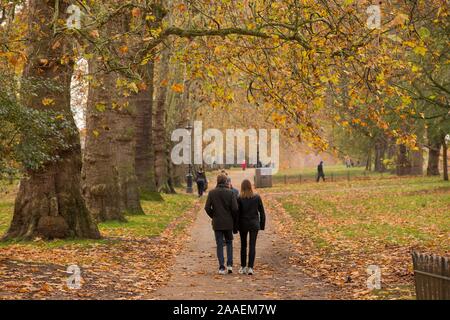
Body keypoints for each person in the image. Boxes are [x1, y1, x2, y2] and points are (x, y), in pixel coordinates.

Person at [204, 174, 239, 275]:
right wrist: (231, 218)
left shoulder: (212, 193)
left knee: (219, 244)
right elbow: (235, 208)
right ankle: (230, 265)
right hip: (228, 222)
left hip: (217, 222)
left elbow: (207, 208)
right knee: (229, 243)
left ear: (217, 181)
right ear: (226, 182)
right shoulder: (231, 193)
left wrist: (213, 216)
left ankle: (221, 267)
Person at [237, 179, 265, 275]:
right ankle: (251, 268)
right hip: (254, 224)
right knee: (252, 245)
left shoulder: (239, 198)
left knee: (243, 245)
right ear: (250, 187)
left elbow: (237, 213)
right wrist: (261, 225)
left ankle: (243, 266)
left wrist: (236, 226)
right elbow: (262, 211)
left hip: (243, 224)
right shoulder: (256, 197)